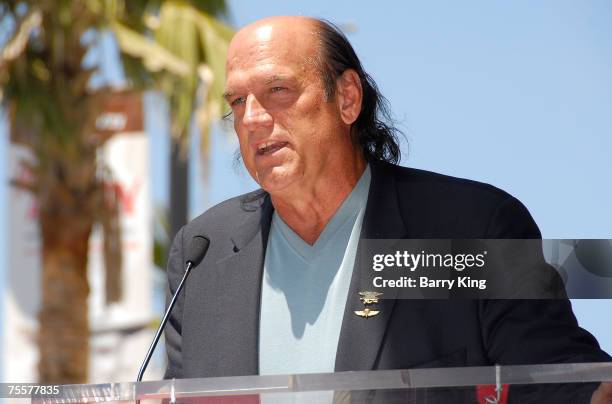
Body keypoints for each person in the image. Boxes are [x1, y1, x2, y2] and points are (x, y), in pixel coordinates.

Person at [164, 16, 612, 402]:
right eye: (238, 101)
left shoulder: (467, 228)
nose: (252, 118)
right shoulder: (202, 254)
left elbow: (556, 376)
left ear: (347, 98)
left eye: (277, 90)